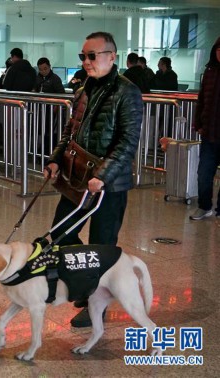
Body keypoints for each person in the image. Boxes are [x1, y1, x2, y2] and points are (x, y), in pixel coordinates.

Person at [43, 32, 143, 328]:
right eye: (83, 56)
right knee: (61, 233)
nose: (86, 62)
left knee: (102, 246)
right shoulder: (84, 88)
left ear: (112, 56)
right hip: (77, 178)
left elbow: (128, 141)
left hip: (108, 184)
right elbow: (69, 132)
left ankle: (96, 304)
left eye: (92, 56)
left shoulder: (127, 92)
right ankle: (85, 283)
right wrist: (54, 159)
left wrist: (103, 175)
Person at [189, 37, 220, 220]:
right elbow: (201, 100)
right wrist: (198, 124)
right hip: (209, 133)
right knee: (204, 173)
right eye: (218, 49)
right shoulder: (210, 72)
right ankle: (204, 206)